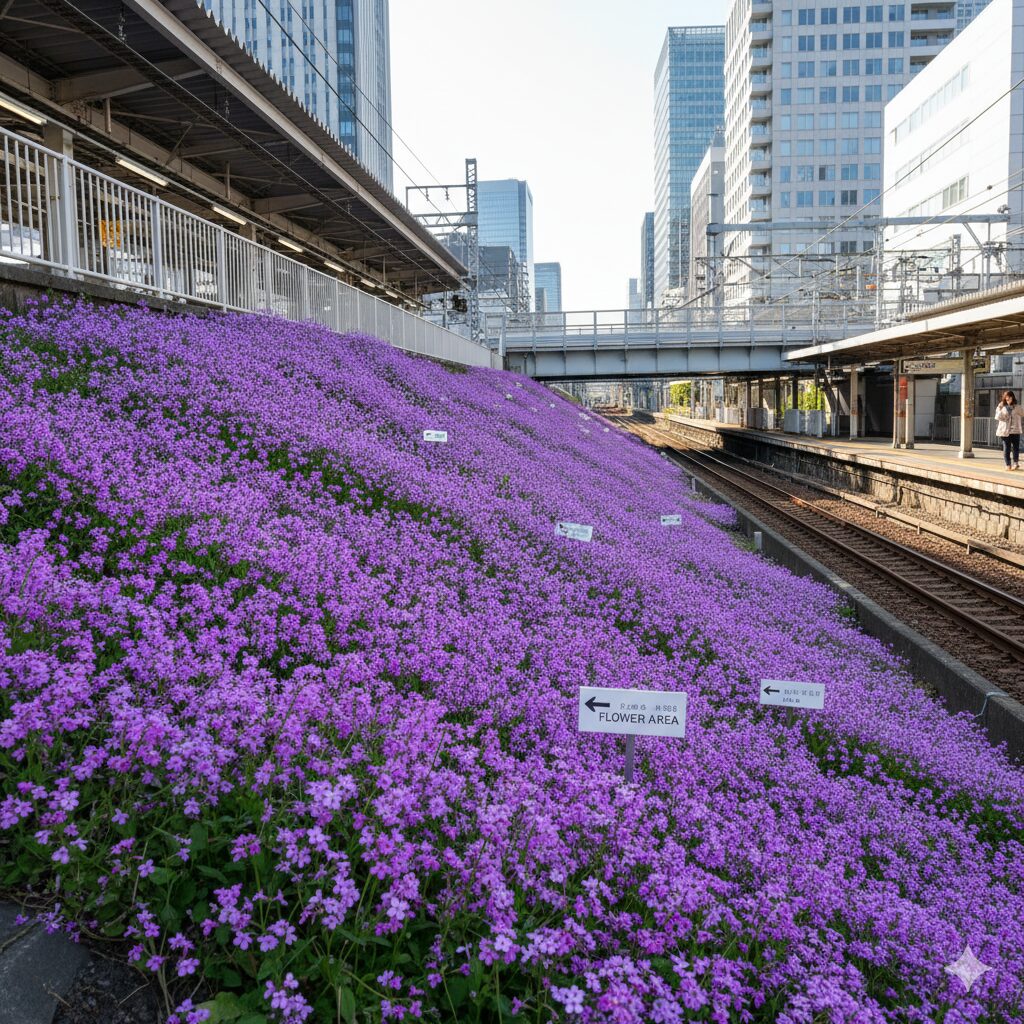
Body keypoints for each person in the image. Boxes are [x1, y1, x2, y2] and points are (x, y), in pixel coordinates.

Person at [995, 390, 1023, 470]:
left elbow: (1023, 413)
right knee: (1006, 449)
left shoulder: (1017, 407)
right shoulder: (1002, 407)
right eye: (1007, 398)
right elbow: (998, 417)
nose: (1008, 400)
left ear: (1013, 398)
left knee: (1016, 449)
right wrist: (1000, 408)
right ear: (1004, 398)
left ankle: (1016, 463)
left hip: (1015, 431)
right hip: (1005, 432)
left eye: (1010, 398)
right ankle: (1008, 464)